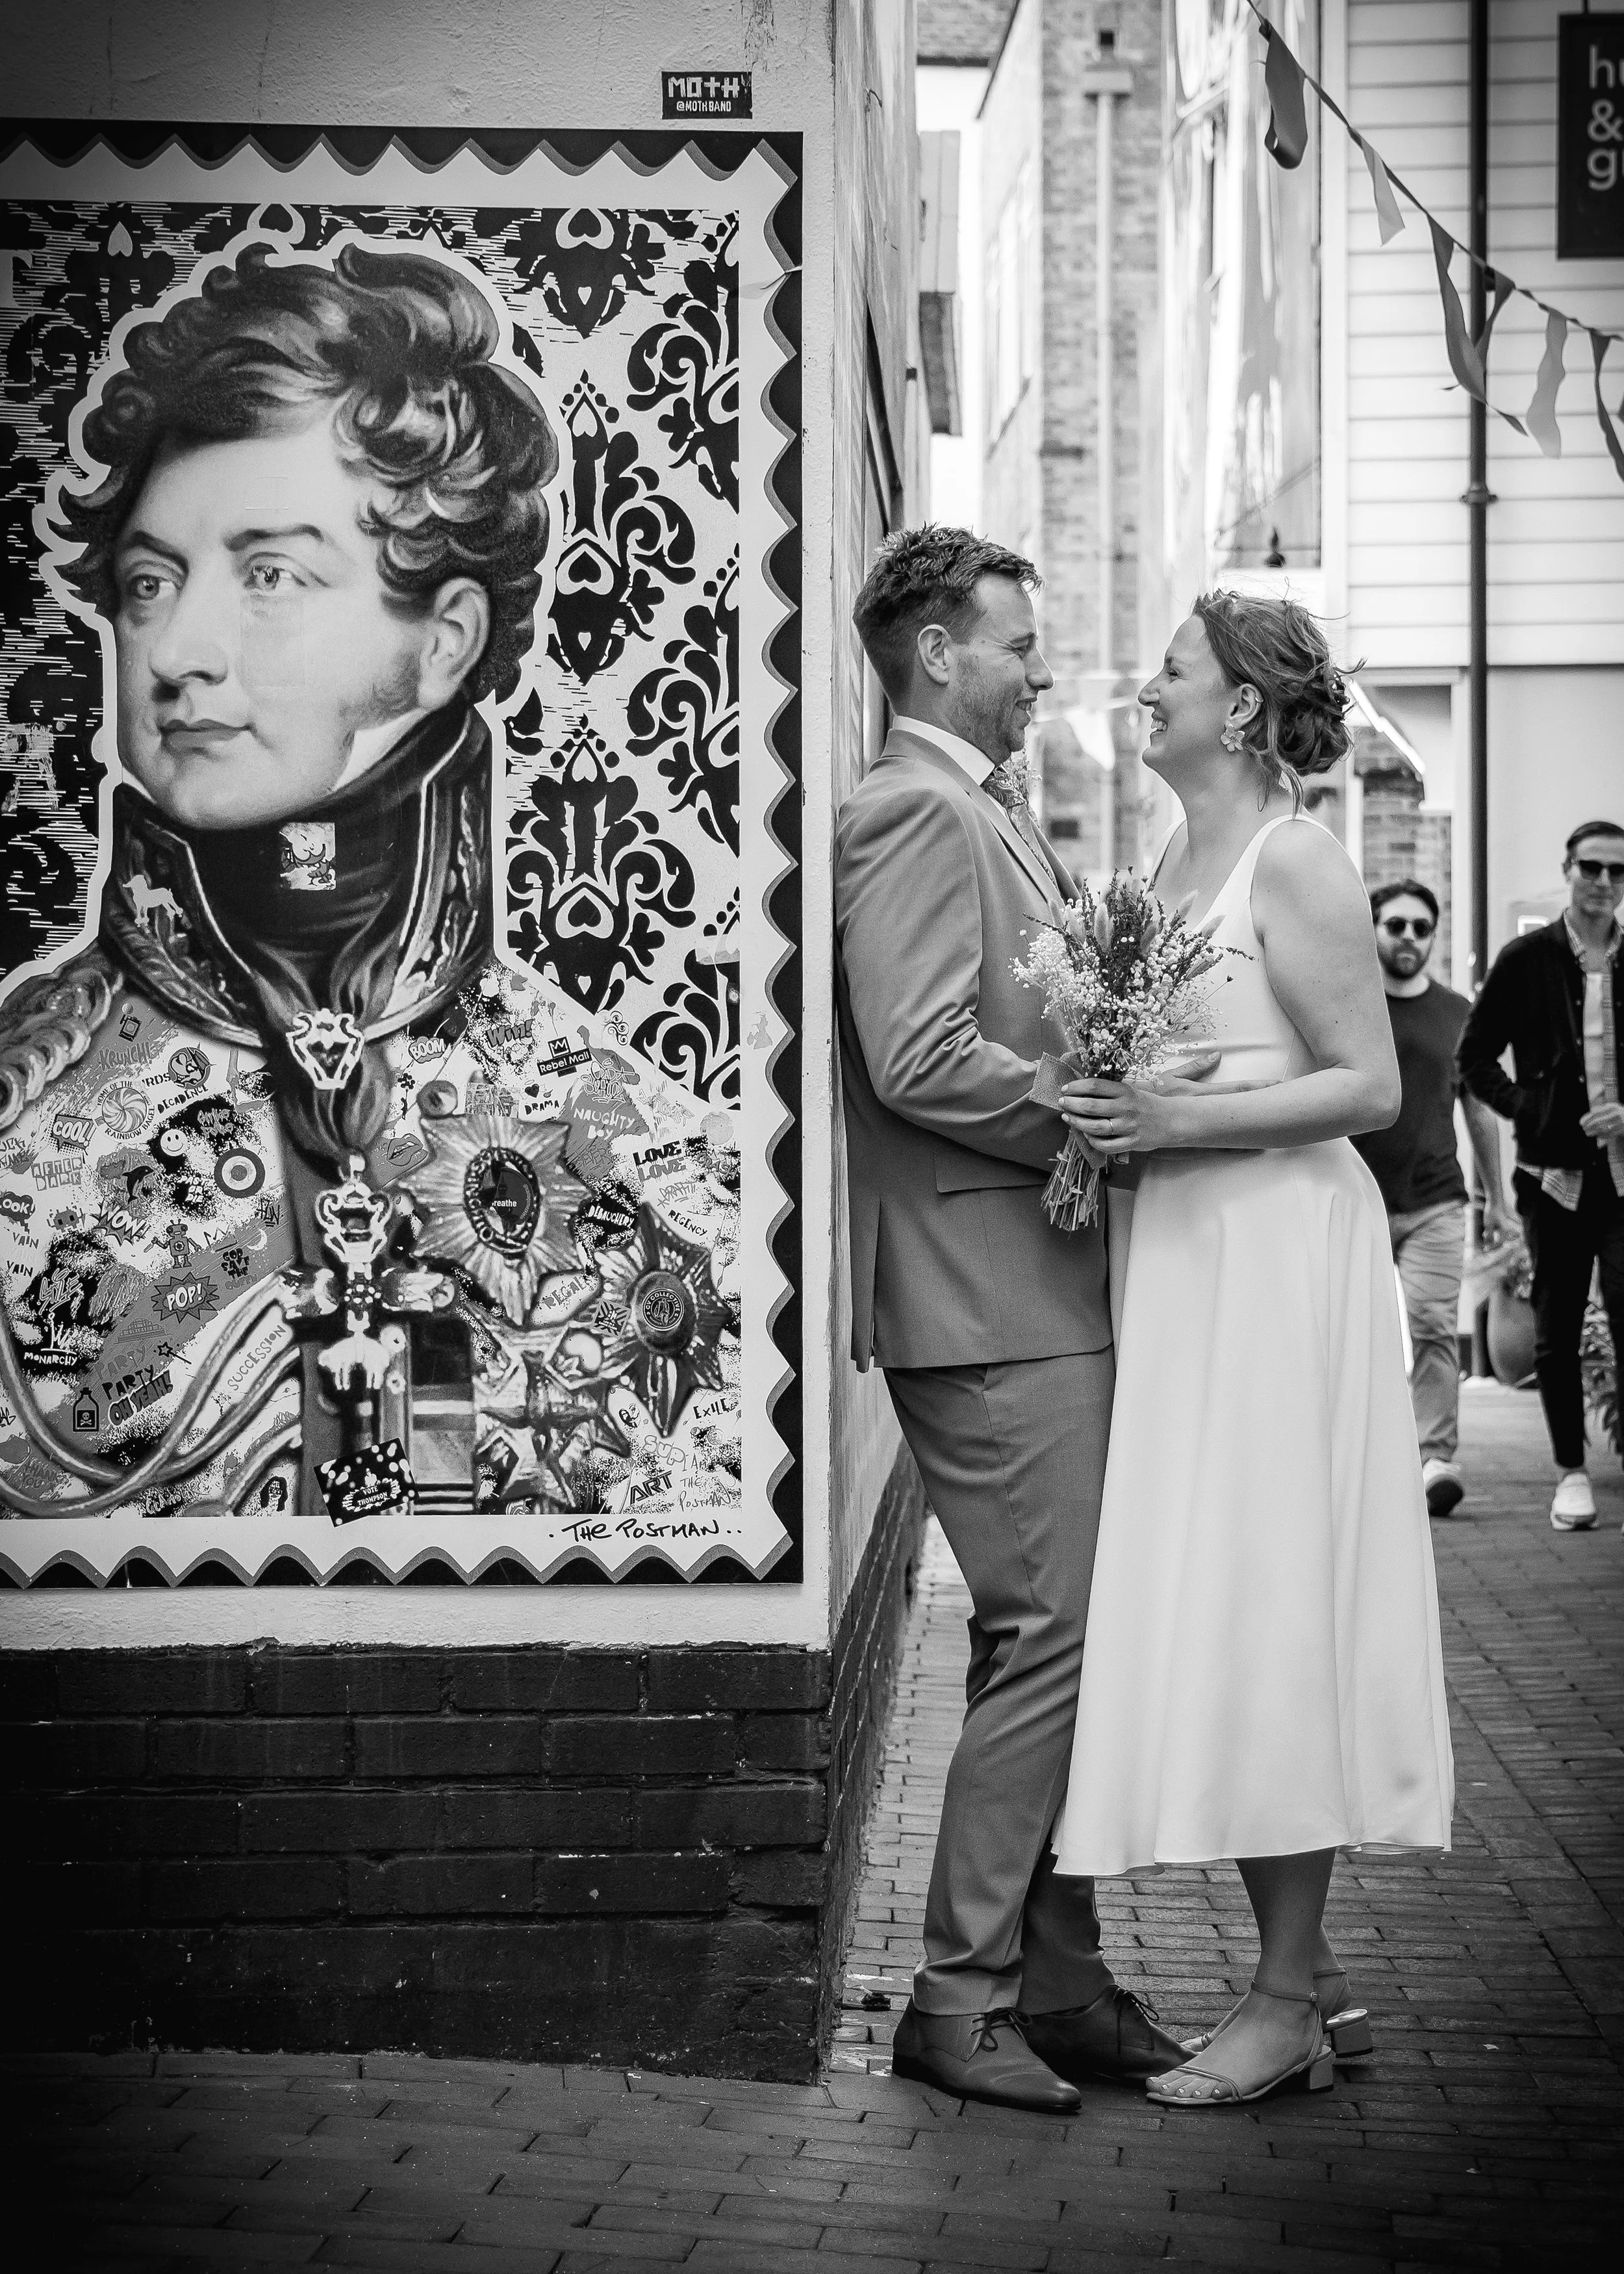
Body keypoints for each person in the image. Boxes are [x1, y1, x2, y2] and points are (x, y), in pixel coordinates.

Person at [0, 240, 739, 1526]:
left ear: (442, 643)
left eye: (272, 575)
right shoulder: (24, 1102)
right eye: (148, 583)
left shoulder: (619, 1129)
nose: (178, 648)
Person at [1054, 592, 1454, 2109]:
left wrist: (1174, 1118)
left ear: (1239, 709)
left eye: (1170, 669)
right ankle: (1316, 1974)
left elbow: (1362, 1088)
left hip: (1284, 1261)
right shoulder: (1164, 865)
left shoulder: (1296, 857)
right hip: (1187, 1258)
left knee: (1274, 1594)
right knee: (1217, 1596)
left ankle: (1283, 2001)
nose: (1145, 688)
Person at [835, 526, 1186, 2112]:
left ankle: (1061, 1982)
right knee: (1058, 1637)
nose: (1041, 668)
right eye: (1017, 643)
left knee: (1040, 1643)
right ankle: (960, 1997)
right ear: (932, 654)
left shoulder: (978, 809)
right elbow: (912, 1054)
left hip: (1027, 1293)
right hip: (985, 1301)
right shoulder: (910, 813)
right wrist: (1082, 1111)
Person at [1456, 821, 1624, 1532]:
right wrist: (1533, 1107)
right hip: (1553, 1177)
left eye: (1618, 872)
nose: (1604, 882)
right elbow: (1474, 1057)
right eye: (1592, 867)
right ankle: (1570, 1473)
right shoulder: (1526, 959)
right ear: (1568, 869)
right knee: (1555, 1330)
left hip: (1622, 1179)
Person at [1353, 878, 1512, 1518]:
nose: (1410, 939)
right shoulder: (1349, 1004)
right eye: (1397, 926)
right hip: (1357, 1199)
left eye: (1423, 928)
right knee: (1357, 1335)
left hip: (1437, 1202)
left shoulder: (1457, 1013)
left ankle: (1435, 1458)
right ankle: (1361, 1460)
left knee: (1433, 1330)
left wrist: (1496, 1198)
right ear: (1373, 928)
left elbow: (1478, 1110)